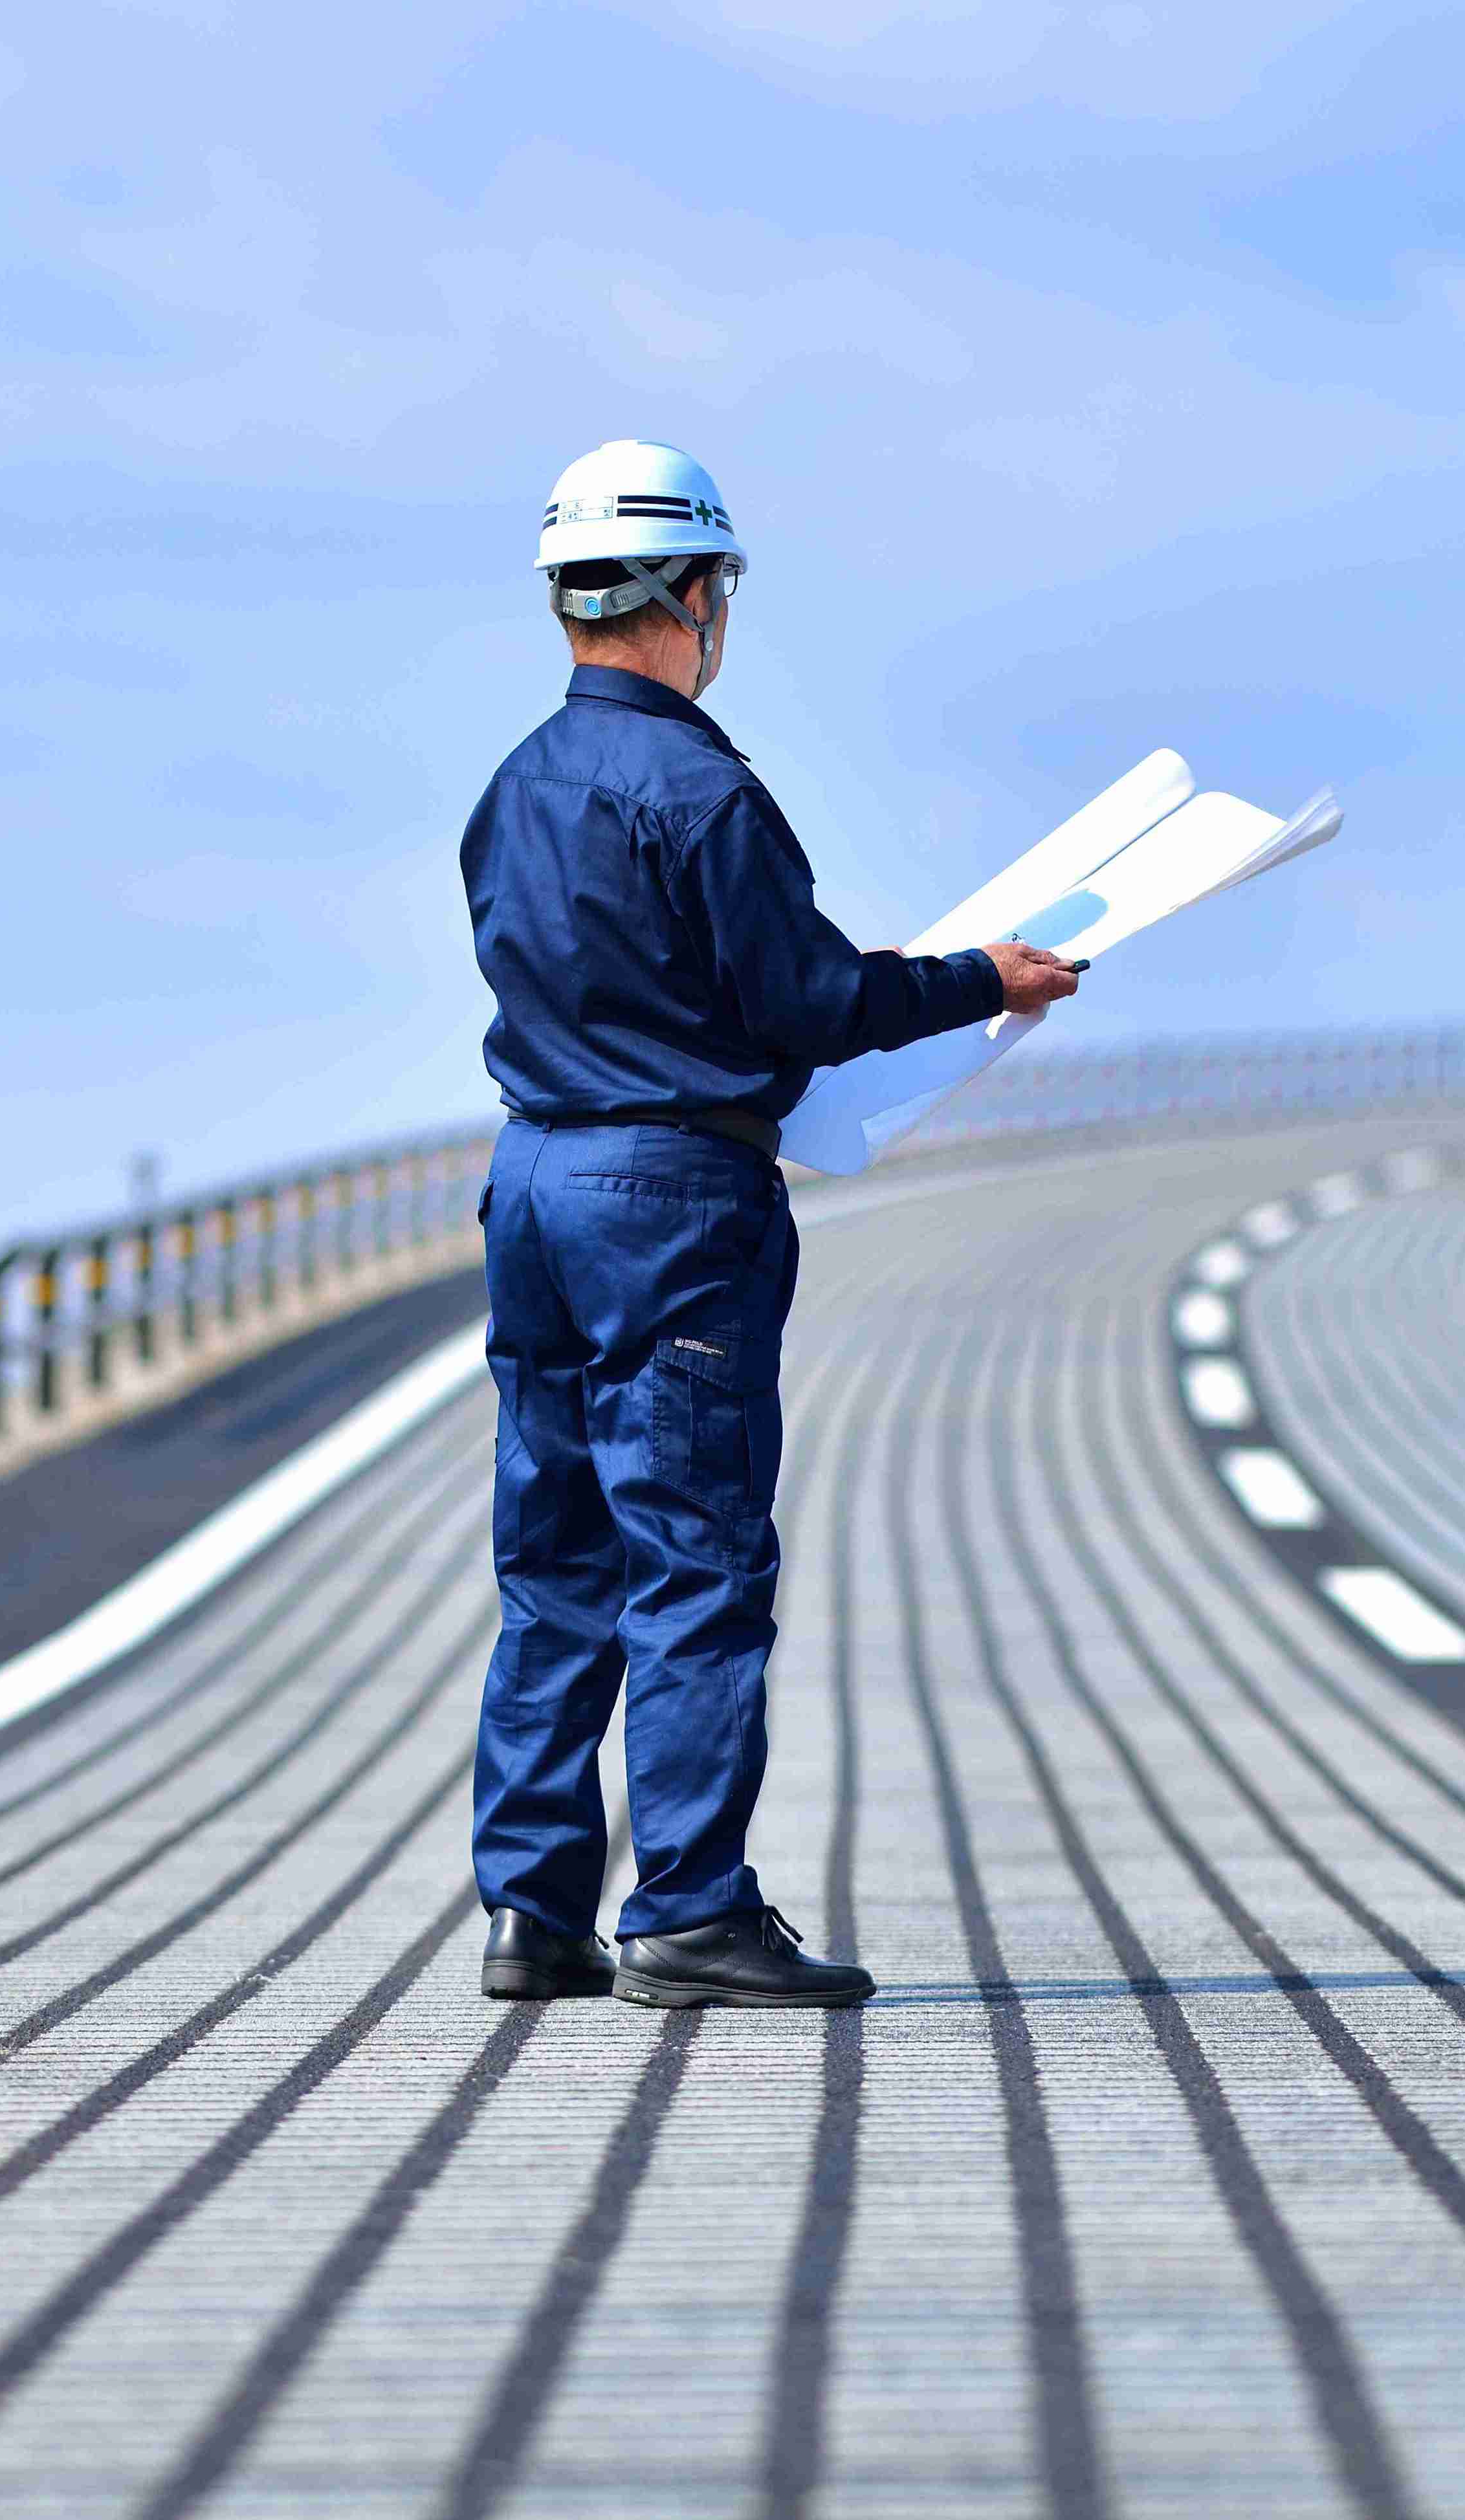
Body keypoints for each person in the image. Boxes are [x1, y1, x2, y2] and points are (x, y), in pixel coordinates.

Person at [460, 440, 1083, 2009]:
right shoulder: (701, 785)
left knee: (555, 1555)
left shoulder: (513, 786)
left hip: (531, 1179)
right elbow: (806, 998)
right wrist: (977, 981)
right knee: (695, 1556)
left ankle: (532, 1911)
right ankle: (688, 1906)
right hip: (669, 1195)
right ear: (692, 593)